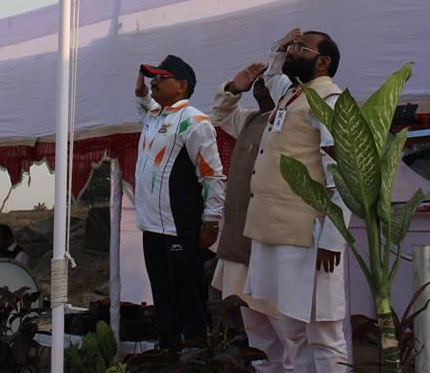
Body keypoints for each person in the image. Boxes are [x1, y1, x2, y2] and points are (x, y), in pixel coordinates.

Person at [242, 28, 349, 373]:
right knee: (290, 329)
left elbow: (344, 174)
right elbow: (272, 74)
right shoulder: (292, 94)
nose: (292, 53)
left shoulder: (330, 100)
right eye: (292, 48)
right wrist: (279, 47)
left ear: (323, 62)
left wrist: (334, 237)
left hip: (309, 234)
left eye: (301, 48)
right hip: (275, 230)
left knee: (322, 331)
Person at [134, 54, 224, 350]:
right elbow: (145, 106)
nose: (154, 82)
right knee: (163, 301)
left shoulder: (195, 121)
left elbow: (212, 175)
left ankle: (197, 357)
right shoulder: (154, 116)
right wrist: (141, 95)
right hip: (152, 229)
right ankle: (169, 354)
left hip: (179, 229)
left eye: (162, 77)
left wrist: (211, 221)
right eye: (153, 77)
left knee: (188, 302)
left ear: (182, 85)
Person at [211, 69, 294, 371]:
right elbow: (220, 113)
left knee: (289, 335)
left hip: (271, 247)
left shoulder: (294, 120)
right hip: (240, 247)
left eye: (267, 79)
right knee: (258, 338)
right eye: (257, 80)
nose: (260, 82)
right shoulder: (249, 120)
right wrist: (234, 87)